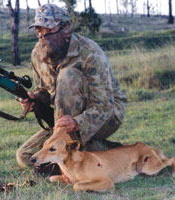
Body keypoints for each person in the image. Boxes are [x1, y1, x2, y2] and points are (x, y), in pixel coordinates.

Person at [16, 4, 127, 169]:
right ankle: (101, 150)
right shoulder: (37, 54)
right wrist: (34, 98)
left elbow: (104, 105)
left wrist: (77, 122)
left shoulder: (90, 53)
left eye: (49, 30)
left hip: (106, 116)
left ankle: (80, 153)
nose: (42, 37)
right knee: (25, 157)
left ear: (66, 29)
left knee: (68, 75)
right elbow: (46, 92)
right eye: (39, 31)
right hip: (64, 123)